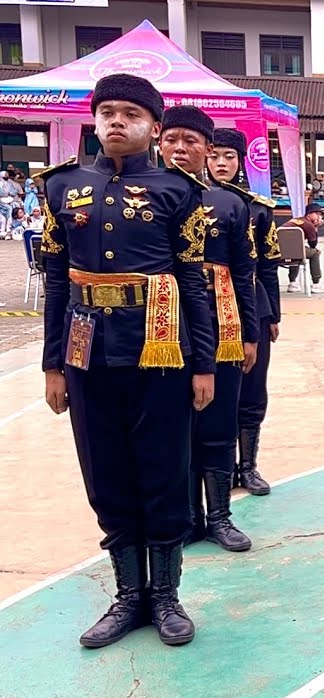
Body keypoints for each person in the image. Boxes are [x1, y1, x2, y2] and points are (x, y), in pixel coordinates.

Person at [41, 74, 215, 647]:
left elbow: (195, 282)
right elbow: (57, 285)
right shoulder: (63, 189)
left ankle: (165, 597)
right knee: (106, 470)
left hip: (160, 348)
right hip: (87, 351)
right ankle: (127, 597)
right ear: (94, 120)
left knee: (163, 468)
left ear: (155, 128)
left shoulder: (179, 191)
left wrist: (204, 363)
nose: (117, 121)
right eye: (108, 112)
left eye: (131, 114)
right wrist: (54, 365)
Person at [158, 107, 259, 553]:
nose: (181, 149)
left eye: (192, 142)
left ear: (206, 150)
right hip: (160, 330)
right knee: (173, 427)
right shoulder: (142, 196)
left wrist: (251, 333)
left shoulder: (231, 204)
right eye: (173, 139)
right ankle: (185, 518)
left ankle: (219, 515)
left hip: (223, 324)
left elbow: (245, 272)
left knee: (218, 421)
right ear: (160, 141)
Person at [208, 129, 280, 499]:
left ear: (241, 161)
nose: (222, 163)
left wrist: (274, 315)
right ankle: (216, 469)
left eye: (230, 157)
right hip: (207, 309)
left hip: (253, 306)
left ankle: (248, 466)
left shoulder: (258, 208)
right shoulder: (191, 201)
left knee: (253, 388)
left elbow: (268, 266)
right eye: (216, 155)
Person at [285, 204, 324, 294]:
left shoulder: (296, 220)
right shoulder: (309, 225)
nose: (319, 216)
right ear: (309, 214)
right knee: (315, 253)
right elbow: (313, 244)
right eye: (316, 213)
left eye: (320, 214)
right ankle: (316, 283)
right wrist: (315, 227)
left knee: (296, 251)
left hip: (280, 251)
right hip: (294, 251)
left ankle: (292, 283)